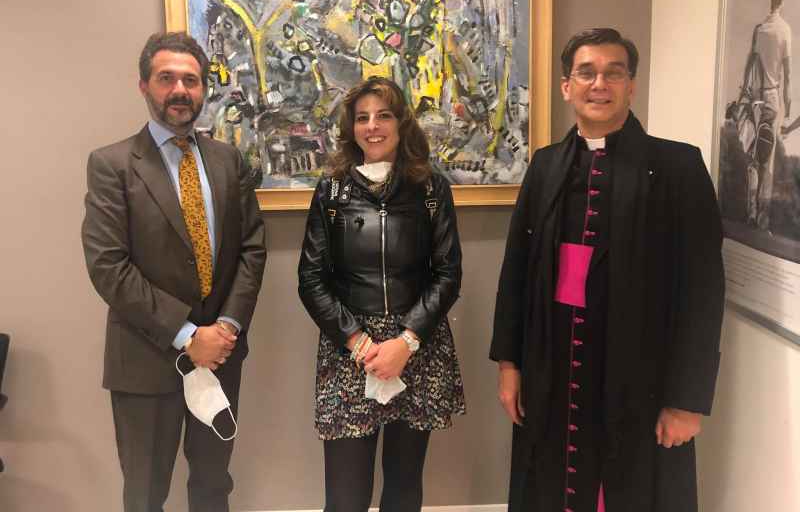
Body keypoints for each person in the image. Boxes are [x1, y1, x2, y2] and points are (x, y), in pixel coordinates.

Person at [490, 28, 725, 511]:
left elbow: (703, 292)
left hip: (640, 369)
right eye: (586, 73)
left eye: (613, 73)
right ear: (567, 86)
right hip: (553, 361)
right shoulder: (545, 166)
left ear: (631, 85)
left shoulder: (678, 167)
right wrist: (510, 366)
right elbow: (516, 273)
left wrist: (687, 400)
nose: (599, 84)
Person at [81, 32, 267, 512]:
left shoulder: (228, 161)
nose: (180, 90)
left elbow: (252, 249)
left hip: (221, 356)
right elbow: (108, 266)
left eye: (191, 80)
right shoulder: (112, 165)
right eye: (167, 78)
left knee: (213, 485)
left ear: (204, 88)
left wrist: (226, 328)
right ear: (144, 85)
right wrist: (187, 335)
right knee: (145, 494)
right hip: (146, 359)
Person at [298, 76, 465, 512]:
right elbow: (311, 278)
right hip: (350, 349)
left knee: (404, 489)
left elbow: (448, 273)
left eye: (383, 115)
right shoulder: (331, 190)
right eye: (362, 118)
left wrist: (406, 341)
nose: (372, 126)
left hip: (415, 346)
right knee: (345, 497)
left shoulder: (431, 188)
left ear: (401, 122)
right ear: (351, 127)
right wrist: (358, 342)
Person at [742, 0, 793, 228]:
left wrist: (744, 95)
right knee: (767, 160)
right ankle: (762, 220)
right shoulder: (785, 31)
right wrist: (788, 110)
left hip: (754, 99)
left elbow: (748, 66)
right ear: (782, 0)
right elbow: (788, 75)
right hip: (772, 99)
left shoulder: (759, 29)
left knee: (753, 158)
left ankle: (750, 213)